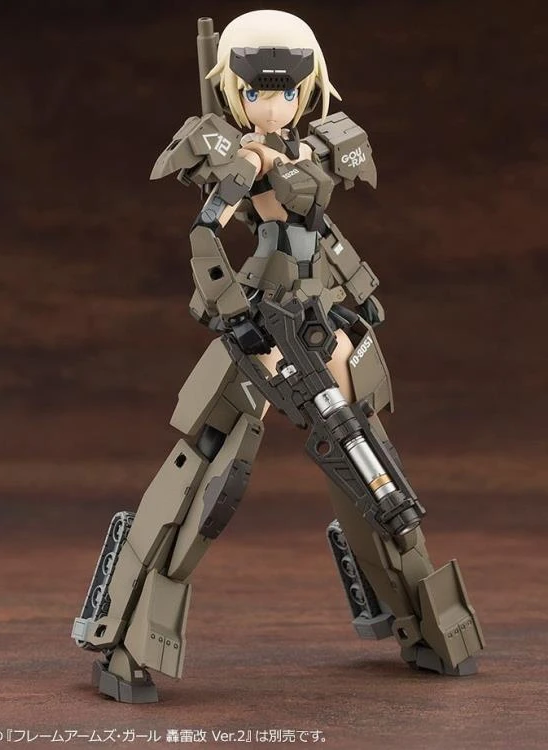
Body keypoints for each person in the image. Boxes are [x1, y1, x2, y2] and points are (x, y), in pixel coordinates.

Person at [71, 9, 484, 703]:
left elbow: (321, 233)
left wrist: (357, 292)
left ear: (308, 88)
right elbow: (206, 236)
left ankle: (429, 627)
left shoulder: (321, 145)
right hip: (266, 323)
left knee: (370, 469)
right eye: (258, 92)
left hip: (325, 316)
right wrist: (237, 319)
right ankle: (126, 641)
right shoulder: (237, 156)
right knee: (207, 471)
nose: (274, 105)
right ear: (232, 91)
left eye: (288, 91)